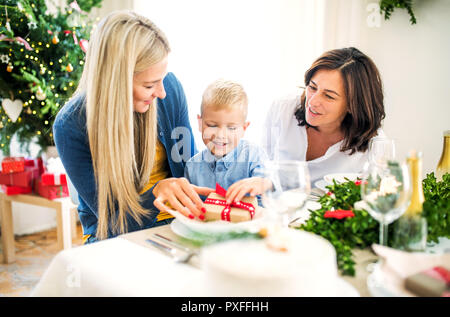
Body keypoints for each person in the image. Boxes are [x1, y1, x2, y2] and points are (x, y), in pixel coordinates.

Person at [53, 11, 213, 242]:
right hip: (117, 238)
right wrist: (156, 194)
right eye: (149, 85)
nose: (162, 92)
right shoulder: (71, 125)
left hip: (181, 224)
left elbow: (193, 172)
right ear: (116, 83)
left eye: (162, 78)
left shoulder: (170, 89)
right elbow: (112, 225)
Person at [262, 47, 386, 185]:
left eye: (328, 96)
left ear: (353, 105)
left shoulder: (374, 145)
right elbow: (263, 168)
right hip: (278, 205)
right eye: (312, 87)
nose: (312, 101)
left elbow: (377, 197)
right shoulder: (283, 108)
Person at [184, 79, 272, 208]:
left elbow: (273, 198)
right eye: (212, 125)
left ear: (244, 129)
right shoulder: (192, 167)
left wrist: (264, 183)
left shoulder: (254, 156)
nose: (220, 135)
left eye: (231, 128)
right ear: (200, 123)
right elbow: (190, 209)